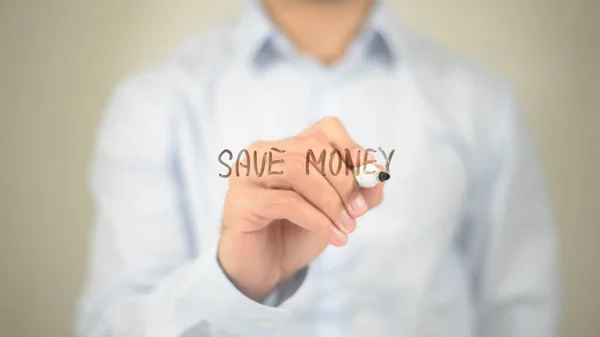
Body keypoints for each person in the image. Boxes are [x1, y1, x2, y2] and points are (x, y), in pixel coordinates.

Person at [75, 0, 561, 336]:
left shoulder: (481, 105)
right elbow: (111, 327)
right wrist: (232, 281)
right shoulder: (153, 105)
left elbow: (520, 317)